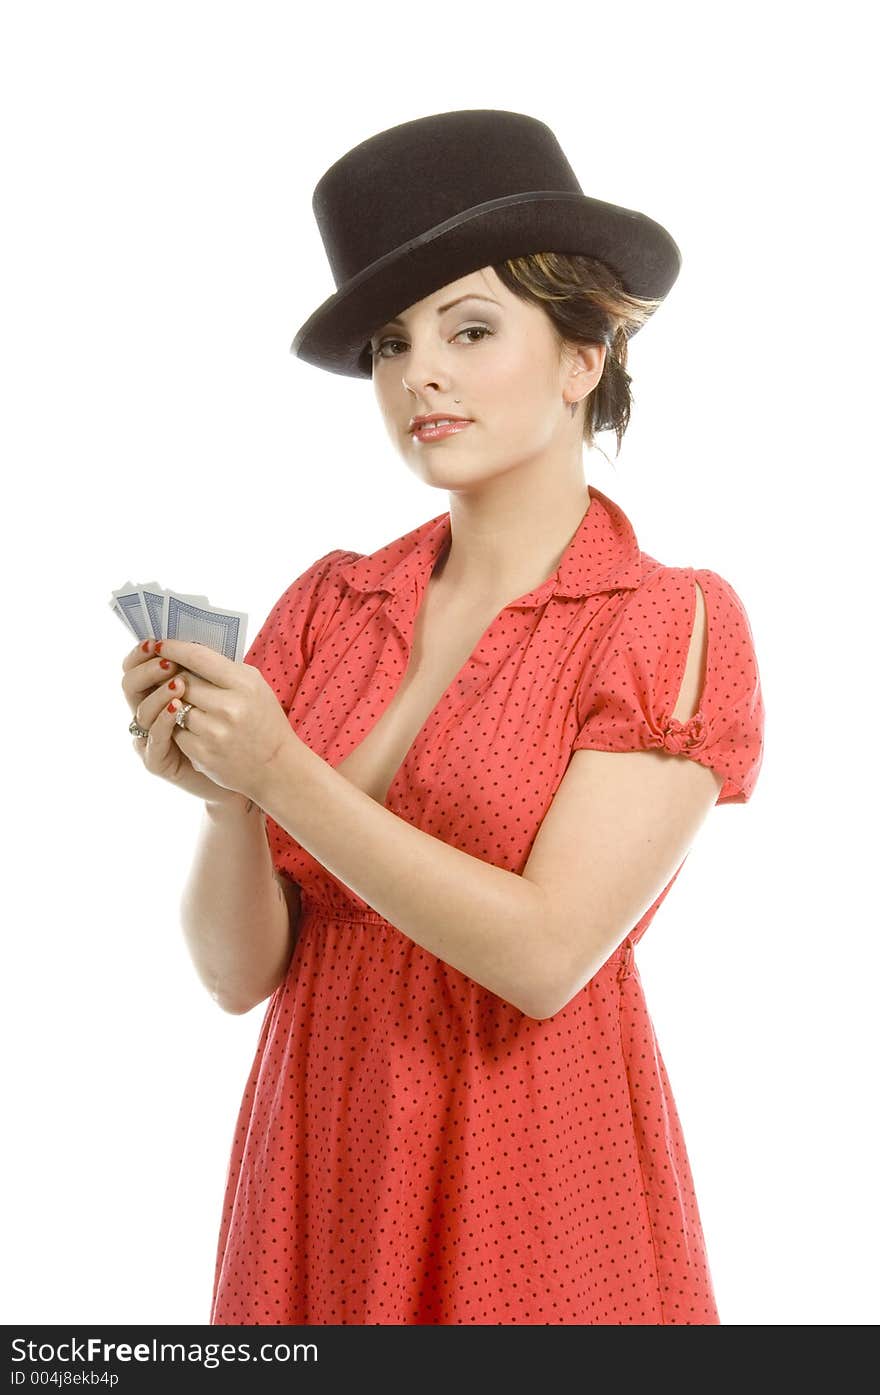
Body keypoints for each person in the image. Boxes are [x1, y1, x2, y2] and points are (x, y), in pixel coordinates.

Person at [120, 110, 765, 1325]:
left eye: (471, 330)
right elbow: (238, 975)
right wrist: (221, 802)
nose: (419, 373)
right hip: (322, 1141)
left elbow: (539, 958)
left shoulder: (664, 620)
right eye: (390, 343)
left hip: (530, 1153)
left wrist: (280, 775)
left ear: (584, 355)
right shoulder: (329, 604)